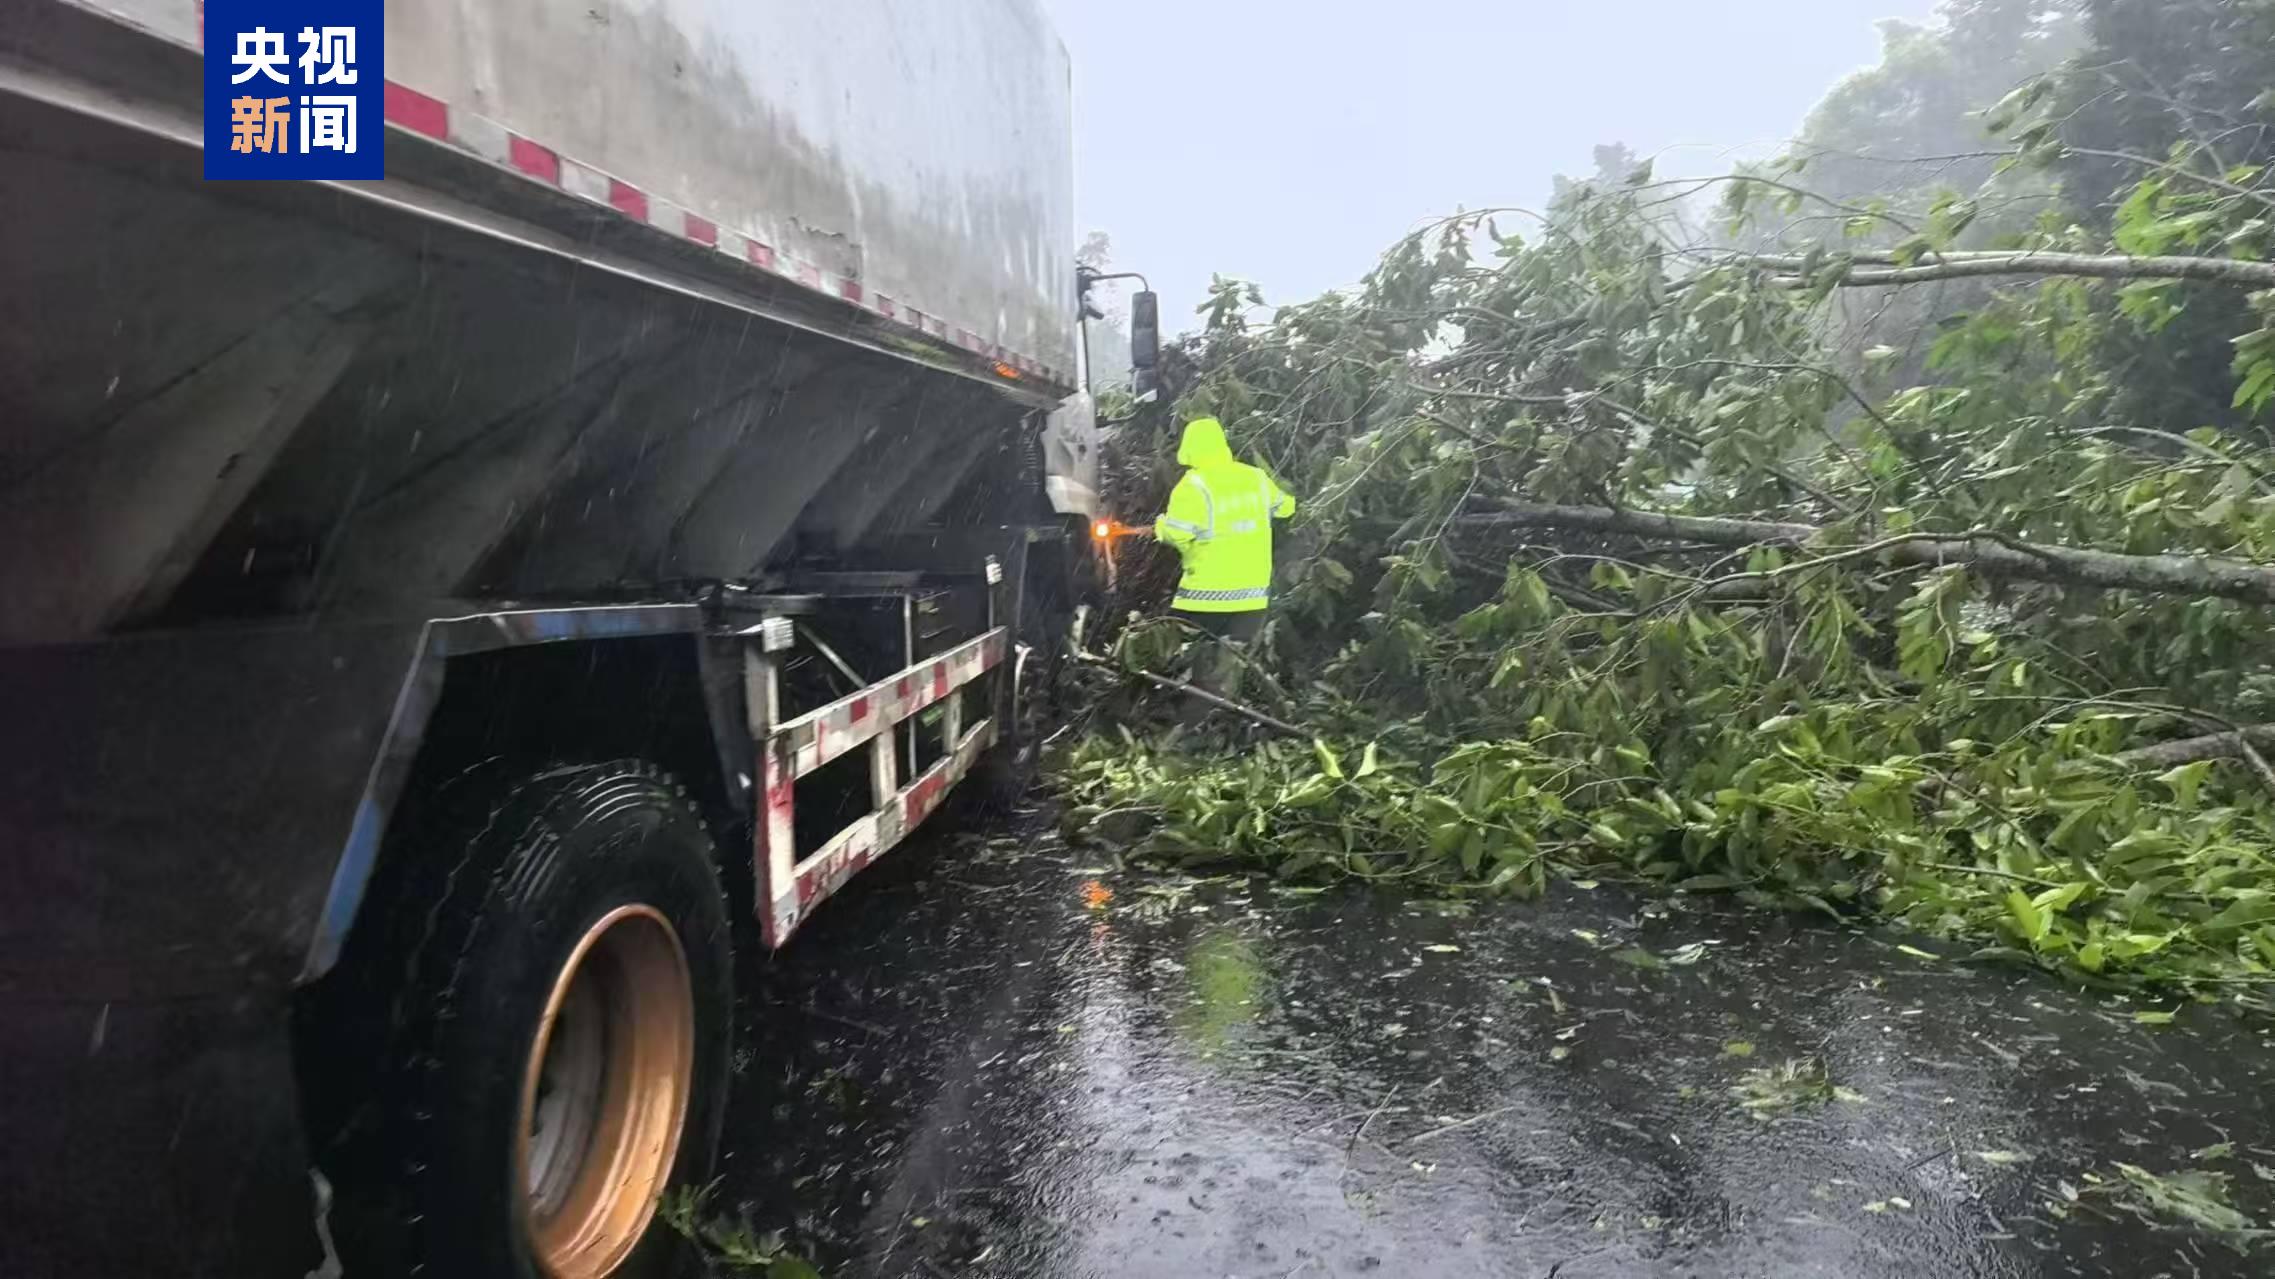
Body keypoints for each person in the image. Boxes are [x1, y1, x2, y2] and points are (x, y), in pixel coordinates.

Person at [1153, 416, 1296, 703]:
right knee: (1234, 666)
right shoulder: (1254, 477)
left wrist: (1160, 526)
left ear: (1189, 449)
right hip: (1252, 596)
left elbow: (1179, 535)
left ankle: (1190, 726)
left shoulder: (1192, 485)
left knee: (1196, 667)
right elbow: (1286, 508)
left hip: (1205, 597)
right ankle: (1230, 719)